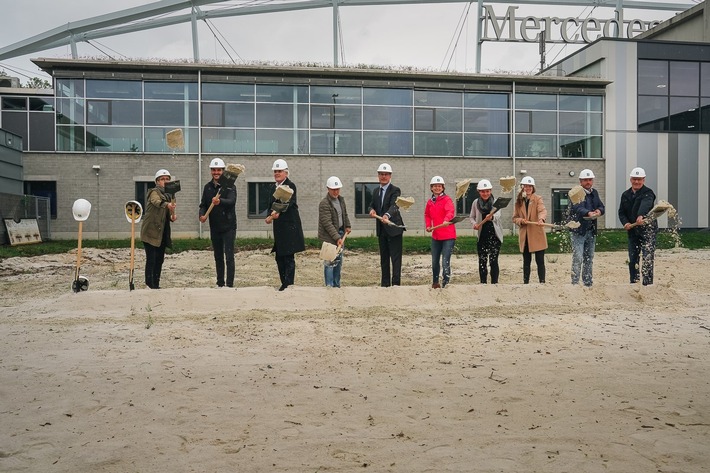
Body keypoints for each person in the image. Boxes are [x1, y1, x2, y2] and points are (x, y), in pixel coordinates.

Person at [264, 159, 305, 291]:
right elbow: (270, 205)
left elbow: (289, 203)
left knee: (288, 256)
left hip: (290, 227)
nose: (277, 173)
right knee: (279, 256)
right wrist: (269, 216)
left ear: (286, 173)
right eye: (275, 171)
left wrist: (278, 213)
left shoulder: (290, 186)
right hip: (279, 228)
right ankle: (283, 283)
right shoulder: (272, 187)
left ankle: (288, 285)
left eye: (279, 171)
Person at [199, 158, 237, 288]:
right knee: (218, 256)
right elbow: (203, 205)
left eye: (219, 170)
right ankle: (220, 283)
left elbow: (232, 202)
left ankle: (229, 284)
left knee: (229, 256)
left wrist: (220, 202)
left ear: (223, 171)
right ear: (211, 171)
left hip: (229, 227)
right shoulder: (207, 187)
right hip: (215, 227)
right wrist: (202, 215)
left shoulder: (230, 186)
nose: (216, 172)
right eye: (214, 170)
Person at [618, 167, 657, 286]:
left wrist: (641, 215)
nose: (636, 182)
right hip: (633, 231)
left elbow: (646, 204)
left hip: (647, 230)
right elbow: (621, 212)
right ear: (630, 179)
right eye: (634, 179)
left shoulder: (648, 193)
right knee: (633, 258)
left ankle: (647, 284)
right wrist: (625, 223)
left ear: (643, 180)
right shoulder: (625, 195)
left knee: (647, 257)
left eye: (639, 179)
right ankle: (634, 282)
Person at [368, 163, 405, 287]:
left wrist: (387, 215)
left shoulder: (395, 190)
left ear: (390, 176)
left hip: (394, 229)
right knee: (384, 259)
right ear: (378, 176)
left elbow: (395, 205)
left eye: (386, 174)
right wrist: (371, 210)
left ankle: (395, 285)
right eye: (381, 174)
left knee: (395, 259)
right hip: (382, 230)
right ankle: (385, 284)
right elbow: (372, 205)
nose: (383, 176)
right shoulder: (376, 191)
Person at [569, 169, 605, 287]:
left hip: (591, 230)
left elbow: (601, 206)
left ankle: (587, 283)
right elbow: (577, 208)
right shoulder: (576, 192)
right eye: (585, 180)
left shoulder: (594, 193)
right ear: (580, 181)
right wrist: (588, 213)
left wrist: (599, 211)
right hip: (578, 231)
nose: (588, 182)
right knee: (578, 257)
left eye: (590, 180)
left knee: (589, 257)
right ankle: (575, 283)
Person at [141, 168, 177, 289]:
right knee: (152, 258)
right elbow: (157, 202)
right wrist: (167, 205)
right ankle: (149, 283)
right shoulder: (154, 192)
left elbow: (169, 211)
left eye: (167, 179)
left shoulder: (170, 195)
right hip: (151, 231)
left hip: (162, 231)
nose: (165, 181)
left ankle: (156, 284)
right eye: (162, 179)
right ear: (157, 181)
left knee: (160, 259)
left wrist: (172, 215)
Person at [512, 176, 548, 284]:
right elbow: (514, 218)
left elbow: (542, 210)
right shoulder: (518, 202)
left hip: (537, 234)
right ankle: (526, 282)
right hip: (525, 236)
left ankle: (542, 282)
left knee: (540, 261)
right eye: (525, 186)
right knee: (526, 261)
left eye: (529, 186)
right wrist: (520, 221)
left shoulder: (537, 199)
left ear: (533, 187)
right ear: (522, 188)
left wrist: (541, 219)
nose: (527, 188)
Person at [318, 176, 352, 288]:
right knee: (329, 263)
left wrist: (347, 225)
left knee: (338, 262)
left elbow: (344, 214)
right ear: (328, 189)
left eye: (337, 189)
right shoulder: (324, 204)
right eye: (333, 189)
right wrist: (337, 238)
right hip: (329, 237)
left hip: (341, 234)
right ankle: (329, 286)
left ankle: (337, 286)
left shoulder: (341, 200)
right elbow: (327, 223)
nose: (336, 191)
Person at [469, 179, 503, 284]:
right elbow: (472, 217)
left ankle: (494, 283)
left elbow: (498, 216)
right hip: (482, 235)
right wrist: (474, 224)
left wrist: (491, 217)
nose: (485, 193)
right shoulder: (475, 203)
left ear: (491, 190)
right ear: (479, 191)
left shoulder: (497, 202)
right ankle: (483, 282)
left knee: (493, 260)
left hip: (494, 235)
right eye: (483, 191)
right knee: (482, 261)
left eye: (487, 191)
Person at [424, 176, 456, 288]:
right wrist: (428, 226)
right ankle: (435, 282)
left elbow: (450, 211)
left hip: (448, 236)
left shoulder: (447, 200)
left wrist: (447, 219)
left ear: (443, 188)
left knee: (445, 261)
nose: (437, 188)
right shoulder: (430, 202)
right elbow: (427, 215)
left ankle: (446, 284)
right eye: (435, 186)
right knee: (434, 262)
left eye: (439, 186)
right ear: (431, 188)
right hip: (436, 236)